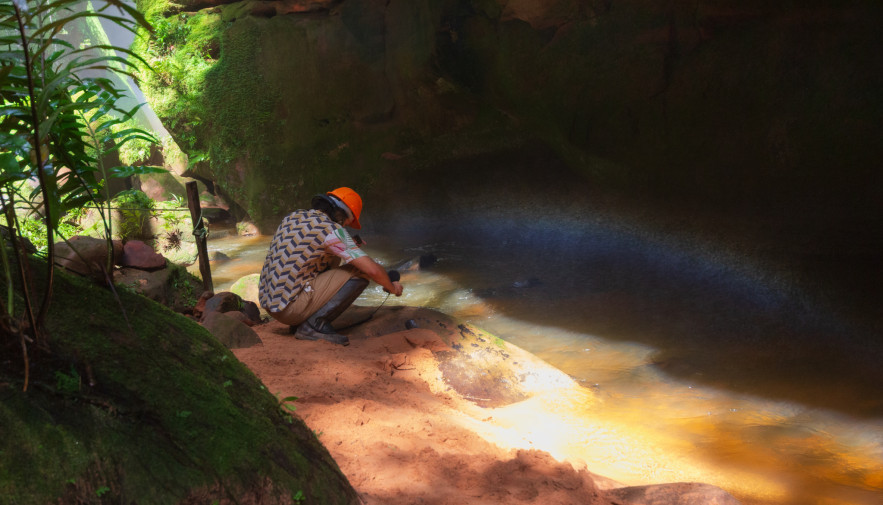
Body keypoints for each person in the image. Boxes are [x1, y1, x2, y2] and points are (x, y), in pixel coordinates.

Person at [258, 187, 403, 346]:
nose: (345, 227)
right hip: (289, 310)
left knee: (341, 261)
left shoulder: (294, 216)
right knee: (360, 270)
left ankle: (302, 321)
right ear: (341, 215)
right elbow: (372, 269)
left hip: (271, 304)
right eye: (346, 222)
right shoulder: (332, 230)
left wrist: (345, 248)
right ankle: (314, 325)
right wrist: (392, 287)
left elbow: (304, 257)